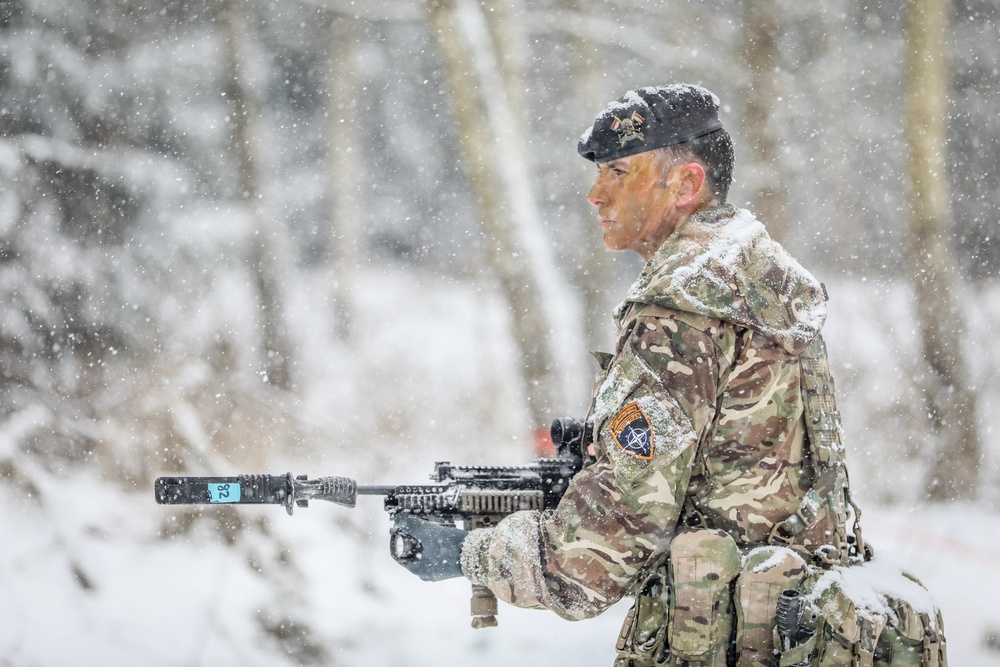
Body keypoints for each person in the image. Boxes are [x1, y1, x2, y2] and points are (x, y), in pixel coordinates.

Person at [394, 84, 947, 667]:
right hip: (796, 630)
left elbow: (601, 551)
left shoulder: (681, 313)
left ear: (685, 184)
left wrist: (470, 552)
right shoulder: (759, 283)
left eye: (618, 173)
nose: (594, 194)